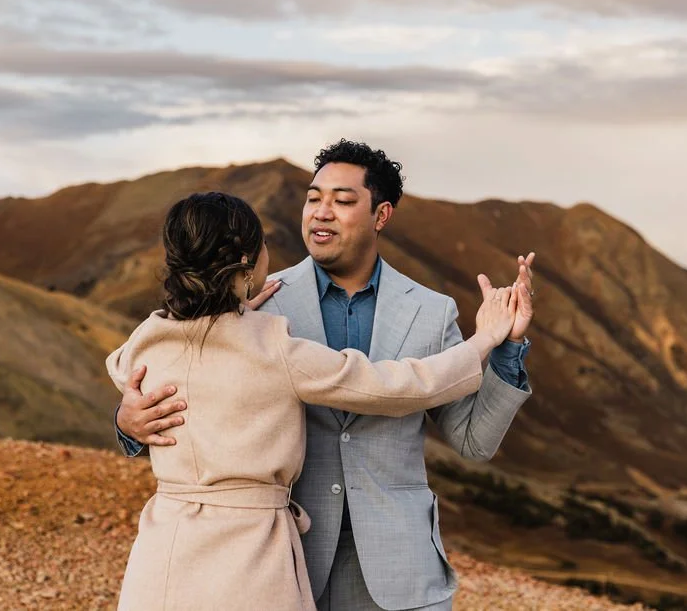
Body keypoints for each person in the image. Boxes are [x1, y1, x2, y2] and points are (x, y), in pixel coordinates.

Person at [116, 140, 535, 610]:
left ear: (382, 215)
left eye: (342, 200)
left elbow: (474, 442)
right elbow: (181, 369)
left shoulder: (431, 313)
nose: (321, 212)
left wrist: (507, 347)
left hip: (399, 574)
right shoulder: (258, 306)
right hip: (275, 567)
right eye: (314, 198)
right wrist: (128, 423)